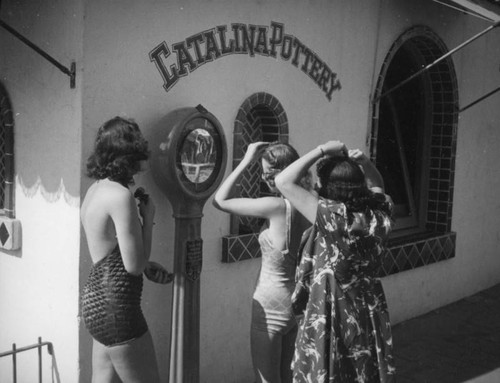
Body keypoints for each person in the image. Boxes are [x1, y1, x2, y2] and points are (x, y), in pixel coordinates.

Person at [274, 140, 396, 383]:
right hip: (367, 307)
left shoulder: (330, 216)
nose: (317, 186)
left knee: (329, 369)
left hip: (332, 308)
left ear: (330, 188)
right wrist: (365, 163)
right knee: (362, 369)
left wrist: (321, 149)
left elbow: (283, 181)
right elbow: (378, 186)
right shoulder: (379, 213)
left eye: (321, 183)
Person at [81, 116, 172, 383]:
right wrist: (149, 218)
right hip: (118, 308)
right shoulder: (120, 197)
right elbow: (135, 266)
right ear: (126, 155)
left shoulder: (94, 190)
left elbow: (113, 253)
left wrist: (146, 262)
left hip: (96, 306)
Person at [213, 142, 310, 383]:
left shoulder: (276, 206)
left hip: (270, 306)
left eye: (270, 174)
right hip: (297, 302)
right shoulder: (311, 203)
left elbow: (220, 201)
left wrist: (246, 160)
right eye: (263, 174)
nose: (266, 180)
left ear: (285, 172)